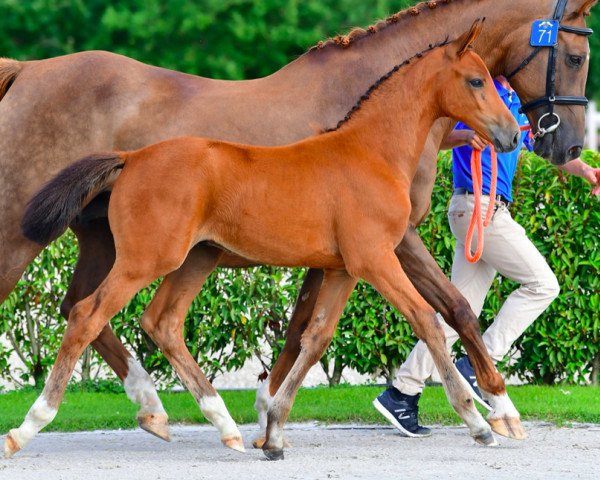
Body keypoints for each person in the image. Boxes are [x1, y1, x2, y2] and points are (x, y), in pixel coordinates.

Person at [373, 76, 600, 437]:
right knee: (544, 284)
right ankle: (482, 360)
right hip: (480, 208)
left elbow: (537, 147)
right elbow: (432, 136)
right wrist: (465, 136)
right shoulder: (478, 98)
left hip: (481, 210)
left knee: (455, 315)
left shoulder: (512, 102)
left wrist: (582, 169)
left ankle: (401, 393)